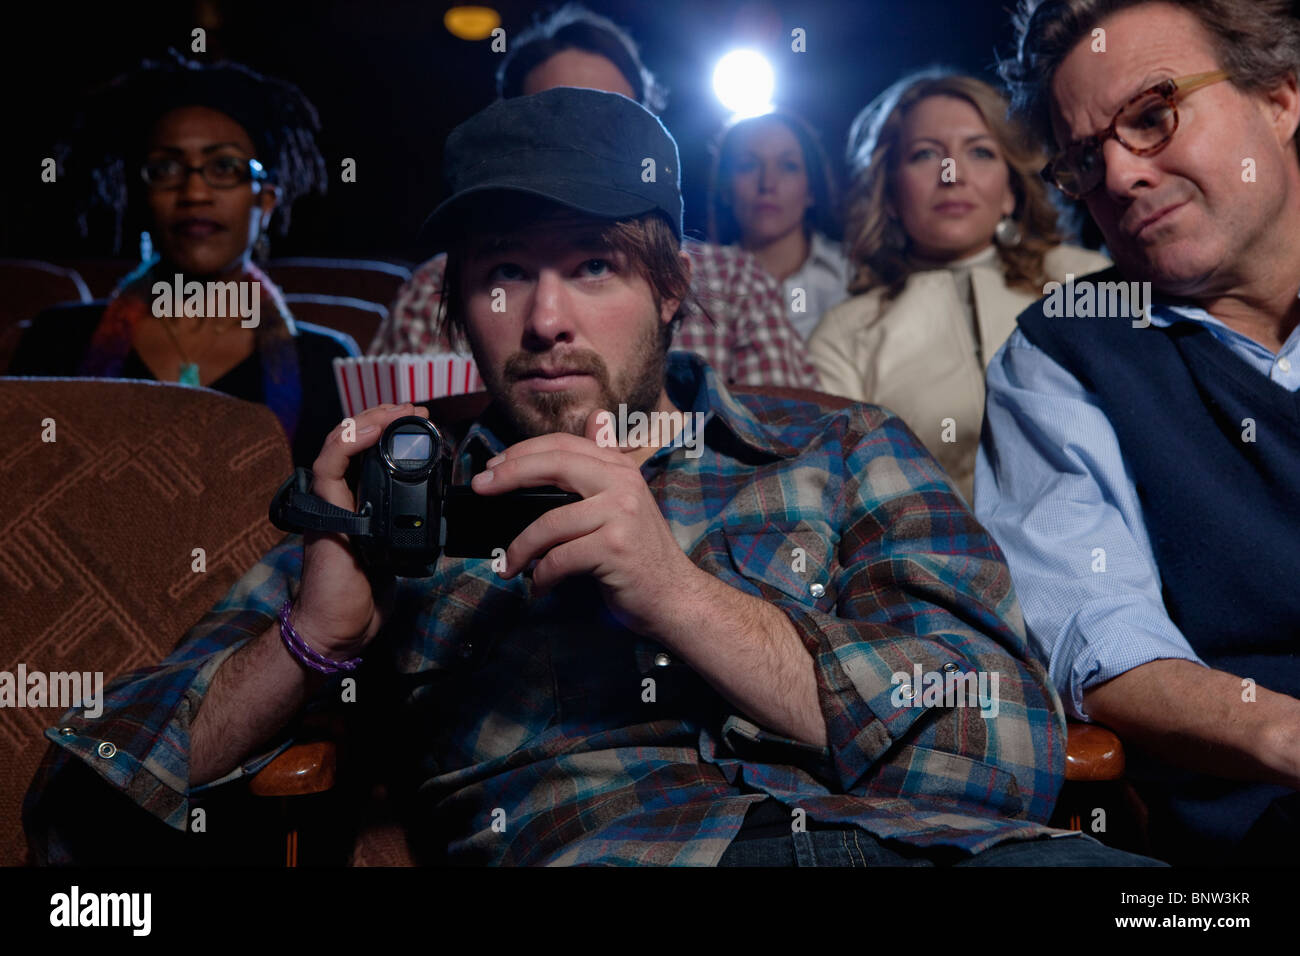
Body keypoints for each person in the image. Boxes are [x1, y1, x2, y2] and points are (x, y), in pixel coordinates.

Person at [23, 87, 1161, 868]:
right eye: (505, 273)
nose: (547, 320)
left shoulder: (839, 446)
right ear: (457, 305)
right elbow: (82, 804)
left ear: (671, 289)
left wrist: (679, 595)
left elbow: (1011, 747)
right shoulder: (403, 502)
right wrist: (316, 640)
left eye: (594, 266)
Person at [979, 0, 1300, 864]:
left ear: (1279, 97)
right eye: (1086, 160)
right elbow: (1102, 643)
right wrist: (1283, 737)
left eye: (1152, 118)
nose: (1119, 177)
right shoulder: (1060, 355)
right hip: (1258, 818)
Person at [374, 2, 819, 390]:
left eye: (609, 119)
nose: (546, 322)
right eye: (555, 120)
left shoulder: (736, 283)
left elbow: (781, 435)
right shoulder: (434, 290)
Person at [6, 51, 357, 468]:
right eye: (165, 169)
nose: (194, 193)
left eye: (224, 167)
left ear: (264, 202)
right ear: (141, 199)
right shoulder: (57, 341)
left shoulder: (325, 363)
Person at [807, 71, 1109, 504]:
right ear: (889, 193)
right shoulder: (844, 334)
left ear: (1010, 190)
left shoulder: (1085, 282)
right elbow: (834, 490)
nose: (952, 174)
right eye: (925, 155)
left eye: (981, 152)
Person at [707, 110, 850, 340]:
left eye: (788, 166)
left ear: (811, 189)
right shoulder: (701, 285)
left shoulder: (851, 276)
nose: (767, 184)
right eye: (748, 166)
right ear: (725, 189)